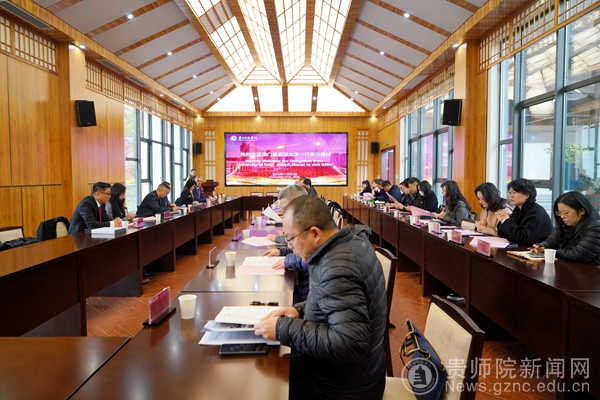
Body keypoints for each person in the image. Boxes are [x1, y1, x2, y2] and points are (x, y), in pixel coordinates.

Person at [254, 197, 387, 400]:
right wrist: (298, 310)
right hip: (352, 372)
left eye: (291, 238)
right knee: (269, 369)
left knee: (264, 388)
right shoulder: (349, 243)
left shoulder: (337, 268)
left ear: (315, 233)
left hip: (342, 388)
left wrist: (282, 329)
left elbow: (351, 343)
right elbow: (334, 303)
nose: (290, 246)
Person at [530, 191, 600, 266]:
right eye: (560, 213)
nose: (562, 216)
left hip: (591, 271)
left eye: (566, 213)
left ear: (582, 211)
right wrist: (541, 246)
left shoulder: (595, 228)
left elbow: (578, 255)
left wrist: (554, 251)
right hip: (572, 268)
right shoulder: (566, 225)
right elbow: (551, 241)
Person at [496, 178, 553, 245]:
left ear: (527, 195)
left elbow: (522, 238)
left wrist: (506, 220)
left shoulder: (535, 212)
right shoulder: (518, 208)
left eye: (514, 193)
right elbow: (506, 235)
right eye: (509, 192)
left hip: (537, 248)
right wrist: (503, 220)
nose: (510, 196)